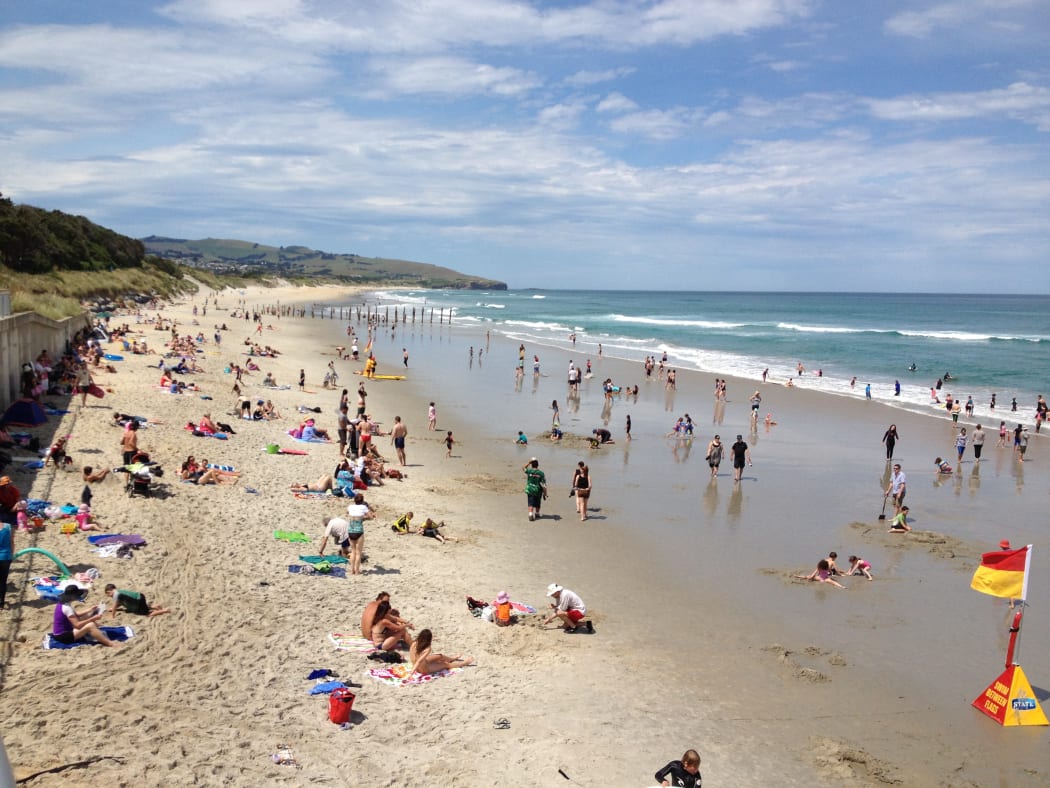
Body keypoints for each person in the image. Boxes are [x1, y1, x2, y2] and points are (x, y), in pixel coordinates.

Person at [51, 585, 122, 648]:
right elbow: (77, 625)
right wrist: (93, 619)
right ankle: (110, 644)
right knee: (90, 625)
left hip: (62, 632)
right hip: (63, 636)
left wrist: (90, 610)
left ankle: (98, 630)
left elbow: (76, 614)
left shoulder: (62, 604)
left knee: (86, 617)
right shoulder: (67, 608)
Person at [345, 493, 374, 575]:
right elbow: (371, 517)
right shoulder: (364, 507)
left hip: (350, 530)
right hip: (359, 531)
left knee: (353, 552)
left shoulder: (350, 507)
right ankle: (357, 571)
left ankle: (352, 571)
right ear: (362, 501)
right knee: (358, 553)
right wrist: (363, 518)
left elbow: (347, 512)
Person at [104, 584, 170, 618]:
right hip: (139, 596)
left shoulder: (115, 594)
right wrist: (113, 609)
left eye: (108, 595)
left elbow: (115, 605)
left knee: (148, 614)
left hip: (138, 601)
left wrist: (112, 615)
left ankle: (165, 610)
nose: (110, 597)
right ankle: (155, 606)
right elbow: (119, 604)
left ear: (109, 591)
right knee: (144, 607)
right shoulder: (119, 592)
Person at [0, 514, 12, 609]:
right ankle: (2, 603)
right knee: (3, 581)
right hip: (6, 556)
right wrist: (12, 554)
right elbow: (12, 542)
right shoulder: (8, 526)